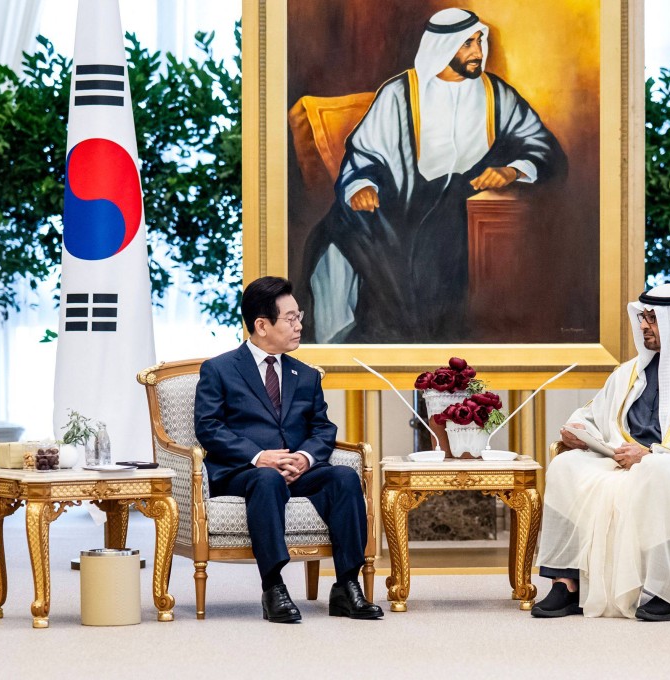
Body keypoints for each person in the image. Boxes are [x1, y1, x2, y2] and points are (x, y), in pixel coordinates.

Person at [300, 7, 566, 344]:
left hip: (457, 197)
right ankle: (360, 336)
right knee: (339, 229)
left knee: (434, 242)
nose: (477, 53)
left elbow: (541, 144)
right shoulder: (399, 93)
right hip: (397, 195)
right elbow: (365, 152)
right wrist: (361, 184)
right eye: (467, 45)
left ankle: (420, 337)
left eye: (478, 42)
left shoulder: (496, 95)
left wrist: (512, 170)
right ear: (443, 47)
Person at [533, 283, 670, 621]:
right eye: (643, 317)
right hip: (620, 461)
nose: (644, 325)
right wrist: (578, 433)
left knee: (655, 471)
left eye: (654, 319)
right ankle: (566, 582)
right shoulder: (631, 371)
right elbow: (594, 414)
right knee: (566, 466)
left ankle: (668, 590)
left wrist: (651, 454)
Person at [194, 276, 383, 623]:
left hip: (298, 472)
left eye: (300, 316)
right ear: (262, 325)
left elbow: (323, 427)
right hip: (243, 473)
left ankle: (346, 586)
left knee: (343, 477)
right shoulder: (220, 370)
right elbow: (209, 427)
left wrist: (305, 457)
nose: (299, 325)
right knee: (267, 480)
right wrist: (258, 456)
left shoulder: (305, 375)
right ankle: (274, 587)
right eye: (291, 318)